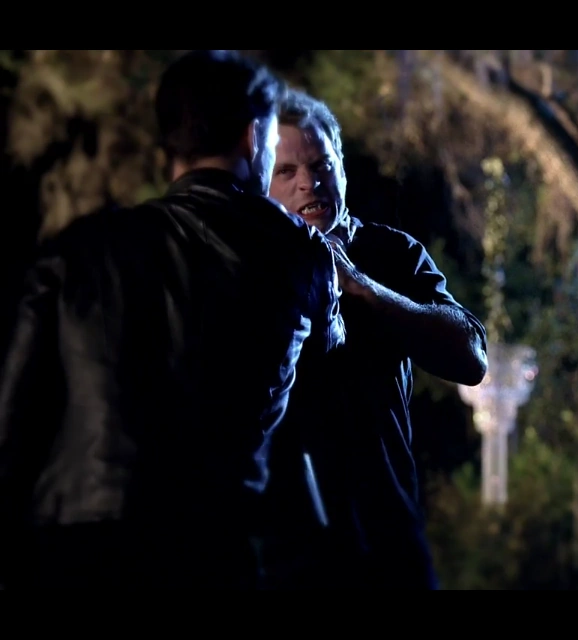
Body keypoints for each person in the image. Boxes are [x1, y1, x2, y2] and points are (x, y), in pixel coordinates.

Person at [0, 50, 344, 589]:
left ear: (170, 141)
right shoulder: (298, 254)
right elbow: (327, 358)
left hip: (76, 540)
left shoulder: (81, 249)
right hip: (210, 544)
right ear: (254, 136)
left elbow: (14, 417)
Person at [257, 88, 488, 589]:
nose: (309, 183)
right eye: (286, 172)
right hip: (282, 549)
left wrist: (363, 288)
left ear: (342, 166)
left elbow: (471, 356)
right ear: (261, 184)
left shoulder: (391, 251)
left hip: (387, 533)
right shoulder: (248, 268)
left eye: (321, 164)